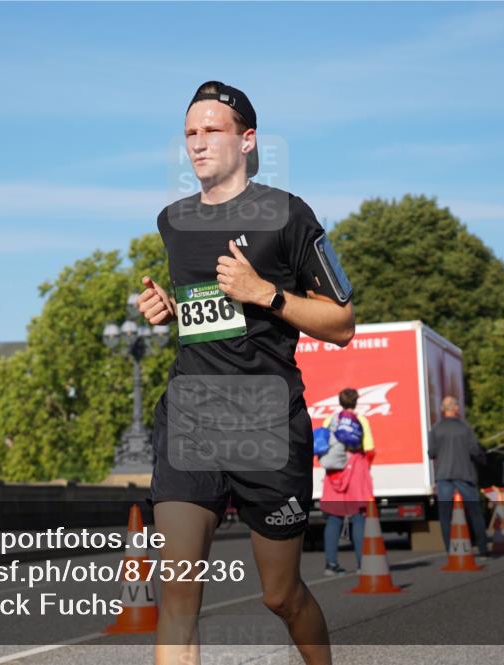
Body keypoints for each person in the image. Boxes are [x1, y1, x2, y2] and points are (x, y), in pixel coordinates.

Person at [138, 81, 355, 665]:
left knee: (280, 596)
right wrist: (172, 313)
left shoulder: (288, 213)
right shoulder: (173, 221)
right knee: (177, 600)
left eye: (212, 130)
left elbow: (341, 322)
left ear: (248, 139)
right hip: (191, 420)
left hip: (267, 425)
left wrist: (267, 294)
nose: (198, 143)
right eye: (190, 133)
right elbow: (213, 319)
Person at [318, 388, 375, 575]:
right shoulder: (361, 421)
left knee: (333, 518)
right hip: (356, 469)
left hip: (334, 471)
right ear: (356, 402)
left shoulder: (330, 420)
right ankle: (362, 563)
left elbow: (323, 445)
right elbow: (369, 448)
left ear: (339, 401)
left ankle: (331, 564)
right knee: (358, 517)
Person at [427, 395, 489, 559]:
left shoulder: (436, 429)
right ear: (456, 408)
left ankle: (451, 551)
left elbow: (431, 453)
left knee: (445, 515)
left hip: (444, 476)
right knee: (475, 512)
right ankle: (482, 548)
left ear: (442, 409)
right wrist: (483, 459)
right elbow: (475, 450)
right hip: (464, 475)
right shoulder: (465, 428)